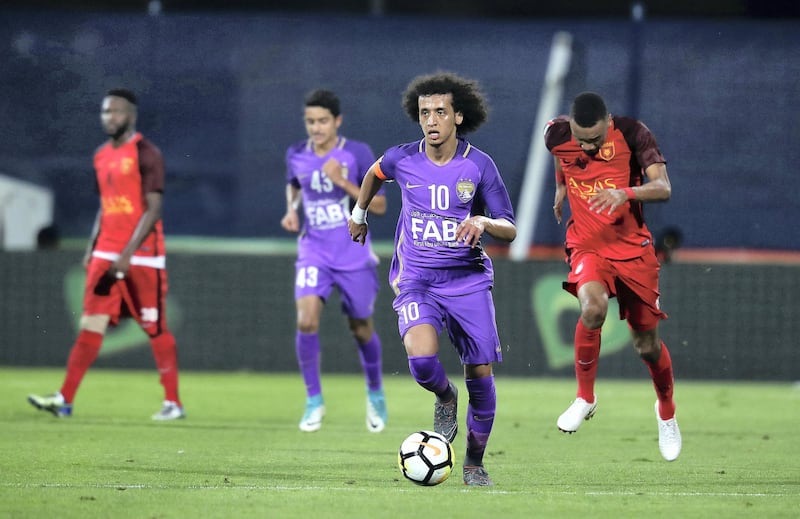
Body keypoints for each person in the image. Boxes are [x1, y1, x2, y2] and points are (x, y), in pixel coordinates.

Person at [348, 72, 517, 486]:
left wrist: (482, 220)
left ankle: (474, 464)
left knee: (479, 372)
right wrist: (358, 214)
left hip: (467, 279)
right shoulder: (401, 158)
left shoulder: (479, 165)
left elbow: (509, 227)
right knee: (422, 361)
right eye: (425, 112)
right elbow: (373, 175)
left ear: (458, 117)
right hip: (418, 278)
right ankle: (445, 396)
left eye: (440, 111)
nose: (431, 120)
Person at [28, 88, 184, 421]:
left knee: (154, 326)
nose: (108, 118)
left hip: (142, 255)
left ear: (131, 115)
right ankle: (64, 399)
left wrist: (128, 253)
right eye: (104, 112)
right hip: (105, 252)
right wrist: (92, 247)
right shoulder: (100, 155)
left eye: (115, 112)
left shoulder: (146, 153)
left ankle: (173, 402)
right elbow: (106, 206)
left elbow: (154, 208)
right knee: (91, 324)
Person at [544, 91, 681, 461]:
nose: (587, 147)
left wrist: (625, 193)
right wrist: (560, 187)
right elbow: (562, 157)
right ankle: (585, 397)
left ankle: (666, 412)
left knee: (647, 347)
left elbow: (663, 187)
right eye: (581, 139)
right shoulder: (556, 135)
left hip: (633, 250)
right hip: (587, 244)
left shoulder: (634, 133)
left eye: (595, 139)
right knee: (592, 309)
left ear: (608, 122)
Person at [281, 89, 388, 433]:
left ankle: (375, 393)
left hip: (353, 252)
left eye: (323, 121)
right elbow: (295, 184)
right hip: (314, 251)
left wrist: (341, 181)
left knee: (361, 328)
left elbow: (382, 207)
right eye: (310, 121)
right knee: (306, 320)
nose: (316, 128)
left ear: (337, 121)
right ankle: (313, 400)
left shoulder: (357, 153)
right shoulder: (296, 153)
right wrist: (290, 211)